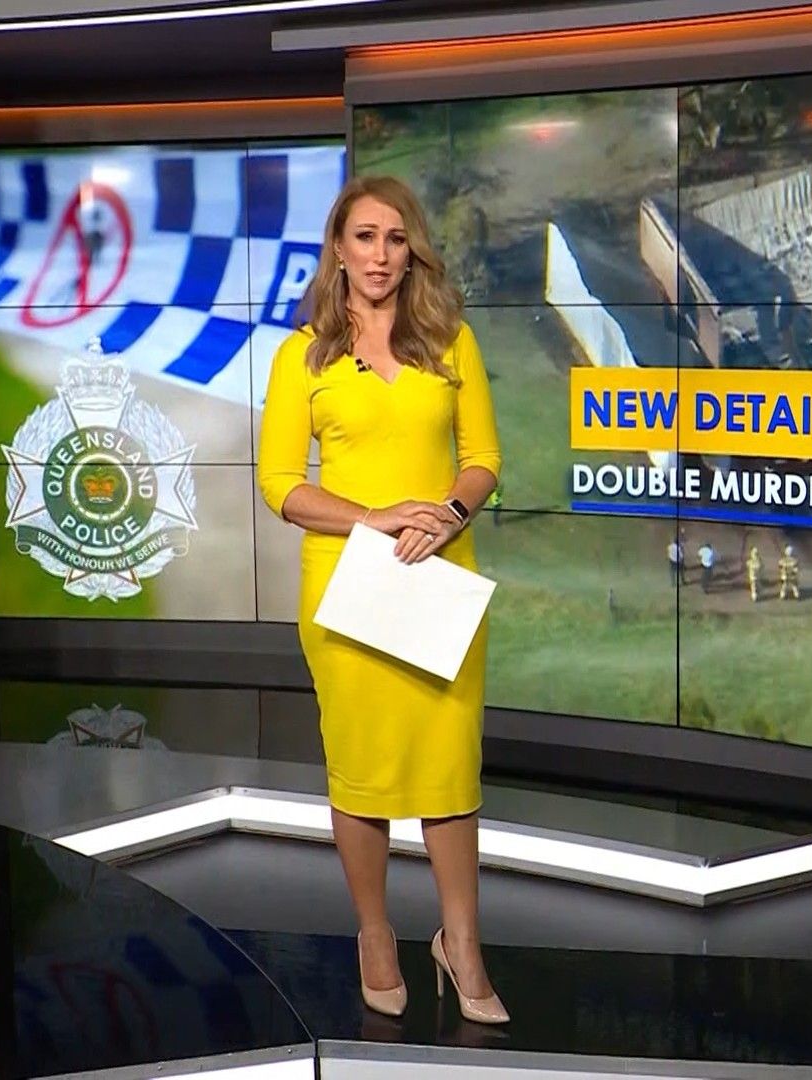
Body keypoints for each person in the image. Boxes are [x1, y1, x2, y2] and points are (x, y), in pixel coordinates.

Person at [257, 175, 508, 1026]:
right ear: (338, 248)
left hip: (440, 581)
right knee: (362, 774)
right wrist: (374, 517)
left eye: (396, 239)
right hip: (348, 590)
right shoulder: (303, 357)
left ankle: (461, 943)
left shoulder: (451, 340)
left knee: (449, 770)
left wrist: (448, 514)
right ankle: (375, 934)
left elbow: (483, 459)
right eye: (364, 237)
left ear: (413, 252)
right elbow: (280, 485)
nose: (379, 254)